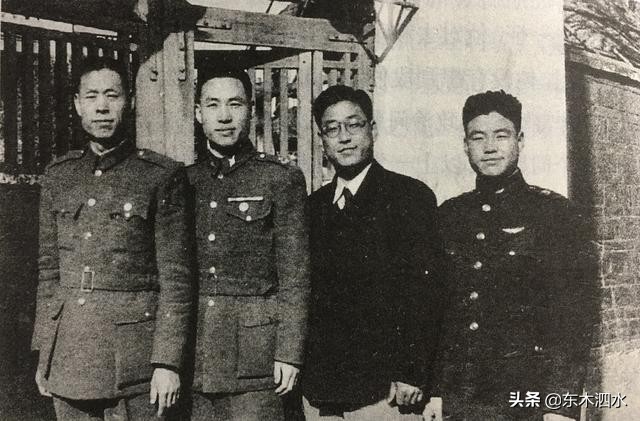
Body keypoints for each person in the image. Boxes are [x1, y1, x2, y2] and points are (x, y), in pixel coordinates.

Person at [32, 56, 193, 420]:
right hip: (70, 354)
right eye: (91, 96)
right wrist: (45, 351)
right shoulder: (59, 176)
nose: (102, 107)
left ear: (129, 102)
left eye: (112, 95)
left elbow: (177, 279)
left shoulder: (160, 175)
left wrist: (167, 362)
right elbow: (49, 272)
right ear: (78, 105)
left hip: (134, 361)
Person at [434, 90, 596, 421]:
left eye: (501, 135)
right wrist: (435, 391)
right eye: (477, 137)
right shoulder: (450, 215)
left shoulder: (556, 214)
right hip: (460, 398)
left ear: (520, 140)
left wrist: (560, 406)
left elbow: (573, 319)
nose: (489, 147)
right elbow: (439, 313)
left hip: (527, 399)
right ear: (465, 145)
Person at [302, 85, 447, 421]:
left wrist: (412, 370)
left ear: (373, 130)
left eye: (354, 125)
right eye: (332, 129)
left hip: (387, 392)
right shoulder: (313, 207)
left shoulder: (409, 197)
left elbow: (426, 292)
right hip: (323, 390)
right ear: (322, 140)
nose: (344, 137)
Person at [186, 68, 310, 421]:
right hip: (196, 356)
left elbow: (295, 276)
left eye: (235, 104)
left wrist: (289, 352)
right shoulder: (185, 181)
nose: (224, 116)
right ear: (198, 113)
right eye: (213, 105)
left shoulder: (279, 178)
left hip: (258, 359)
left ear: (251, 111)